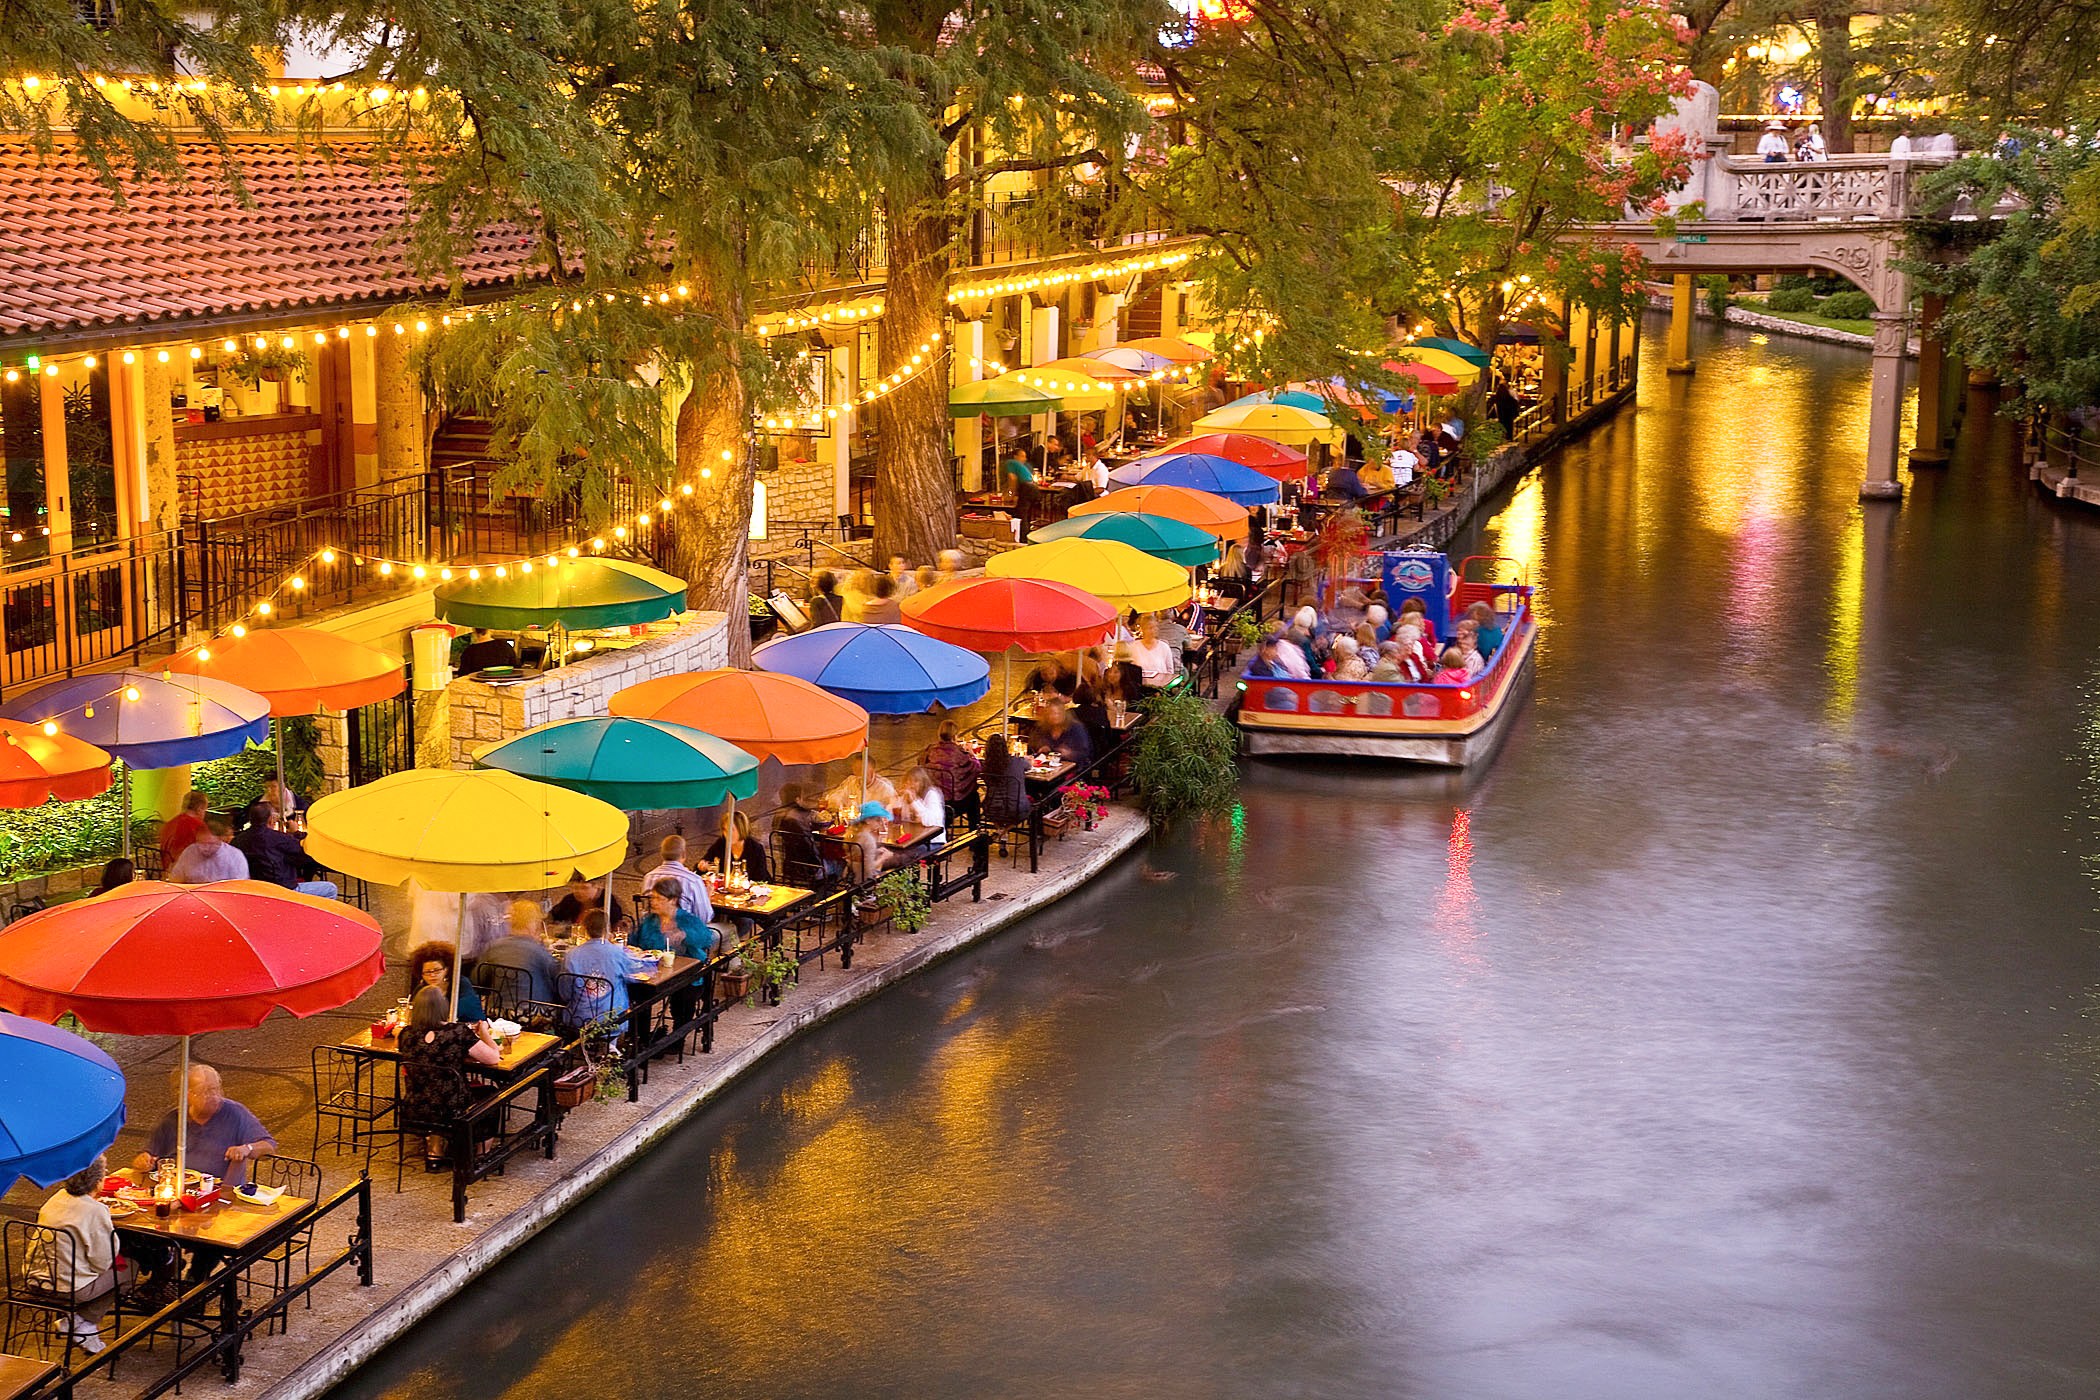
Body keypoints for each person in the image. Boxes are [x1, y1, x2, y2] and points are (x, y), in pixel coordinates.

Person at [33, 1155, 131, 1353]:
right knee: (129, 1268)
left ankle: (78, 1320)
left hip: (37, 1278)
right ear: (98, 1183)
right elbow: (103, 1262)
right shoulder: (95, 1210)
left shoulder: (56, 1198)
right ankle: (84, 1321)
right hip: (68, 1286)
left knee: (107, 1268)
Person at [397, 986, 500, 1171]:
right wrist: (484, 1030)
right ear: (443, 1008)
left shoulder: (406, 1035)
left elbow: (427, 1054)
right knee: (491, 1094)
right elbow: (493, 1058)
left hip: (416, 1106)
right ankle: (481, 1155)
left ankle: (434, 1155)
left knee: (434, 1088)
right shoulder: (456, 1033)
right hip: (453, 1108)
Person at [135, 1064, 275, 1190]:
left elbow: (269, 1147)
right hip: (175, 1189)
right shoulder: (172, 1118)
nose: (213, 1096)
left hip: (219, 1192)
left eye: (215, 1089)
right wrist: (143, 1161)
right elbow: (147, 1156)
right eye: (204, 1091)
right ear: (187, 1094)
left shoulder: (235, 1113)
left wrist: (247, 1149)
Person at [563, 909, 657, 1024]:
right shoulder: (616, 953)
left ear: (584, 929)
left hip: (579, 1018)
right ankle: (617, 1042)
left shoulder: (571, 955)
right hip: (612, 1019)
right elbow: (634, 974)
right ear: (607, 929)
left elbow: (565, 992)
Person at [233, 803, 337, 898]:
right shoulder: (278, 838)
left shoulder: (238, 840)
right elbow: (305, 851)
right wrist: (296, 833)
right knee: (330, 889)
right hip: (282, 891)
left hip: (255, 890)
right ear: (271, 819)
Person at [477, 901, 560, 1005]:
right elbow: (558, 984)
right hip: (536, 1014)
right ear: (533, 924)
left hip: (497, 1011)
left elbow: (477, 980)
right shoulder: (539, 952)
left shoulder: (493, 947)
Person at [775, 784, 845, 884]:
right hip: (813, 869)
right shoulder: (801, 817)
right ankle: (828, 894)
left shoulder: (779, 816)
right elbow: (810, 851)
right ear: (797, 799)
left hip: (789, 867)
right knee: (841, 862)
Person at [634, 879, 718, 960]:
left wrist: (686, 935)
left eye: (659, 899)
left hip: (685, 971)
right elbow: (636, 944)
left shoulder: (687, 920)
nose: (653, 902)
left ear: (673, 900)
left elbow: (707, 940)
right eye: (652, 898)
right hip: (655, 968)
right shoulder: (649, 921)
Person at [406, 941, 486, 1023]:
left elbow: (465, 1007)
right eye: (427, 972)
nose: (432, 975)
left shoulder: (460, 983)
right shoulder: (421, 988)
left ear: (447, 969)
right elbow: (412, 1009)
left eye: (437, 970)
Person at [641, 834, 714, 922]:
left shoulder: (649, 877)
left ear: (662, 854)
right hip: (685, 933)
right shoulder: (693, 880)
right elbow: (704, 918)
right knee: (728, 927)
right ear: (683, 855)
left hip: (653, 932)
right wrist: (707, 896)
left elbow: (645, 912)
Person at [922, 722, 981, 827]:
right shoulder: (958, 753)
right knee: (974, 796)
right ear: (955, 736)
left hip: (933, 797)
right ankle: (975, 834)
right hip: (952, 801)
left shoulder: (930, 750)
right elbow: (976, 768)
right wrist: (972, 754)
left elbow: (921, 765)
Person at [166, 817, 248, 884]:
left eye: (211, 844)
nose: (206, 848)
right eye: (202, 843)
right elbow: (176, 879)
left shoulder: (235, 856)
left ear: (221, 840)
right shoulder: (190, 852)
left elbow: (240, 885)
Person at [703, 808, 772, 882]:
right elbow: (706, 861)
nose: (727, 834)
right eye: (725, 830)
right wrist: (703, 866)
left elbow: (760, 878)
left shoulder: (755, 848)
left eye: (731, 830)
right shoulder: (721, 843)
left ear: (741, 829)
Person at [980, 735, 1029, 830]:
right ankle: (1006, 830)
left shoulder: (986, 767)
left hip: (992, 809)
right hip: (1017, 810)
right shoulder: (1017, 761)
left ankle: (1000, 830)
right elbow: (1029, 766)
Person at [1122, 614, 1180, 690]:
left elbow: (1170, 671)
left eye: (1154, 628)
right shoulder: (1133, 647)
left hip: (1159, 688)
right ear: (1142, 629)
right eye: (1149, 628)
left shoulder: (1164, 647)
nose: (1152, 631)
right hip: (1138, 687)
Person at [158, 790, 209, 872]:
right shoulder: (199, 826)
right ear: (199, 809)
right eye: (205, 810)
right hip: (189, 872)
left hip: (168, 869)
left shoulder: (169, 824)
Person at [845, 802, 897, 883]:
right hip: (864, 881)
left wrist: (875, 852)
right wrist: (884, 857)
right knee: (905, 858)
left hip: (851, 874)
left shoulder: (855, 834)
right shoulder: (868, 840)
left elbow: (859, 855)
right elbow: (869, 868)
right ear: (868, 820)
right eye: (877, 820)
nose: (880, 823)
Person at [1037, 697, 1093, 769]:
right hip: (1051, 766)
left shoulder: (1076, 728)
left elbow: (1085, 754)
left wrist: (1070, 754)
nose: (1054, 716)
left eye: (1057, 713)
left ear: (1063, 713)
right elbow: (1038, 743)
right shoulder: (1045, 728)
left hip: (1075, 768)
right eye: (1051, 713)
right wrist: (1043, 747)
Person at [898, 766, 947, 838]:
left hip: (931, 841)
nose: (911, 785)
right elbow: (895, 816)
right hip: (911, 838)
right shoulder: (906, 796)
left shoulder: (932, 794)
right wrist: (898, 798)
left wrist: (914, 801)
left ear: (922, 782)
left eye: (915, 781)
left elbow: (929, 821)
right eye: (908, 781)